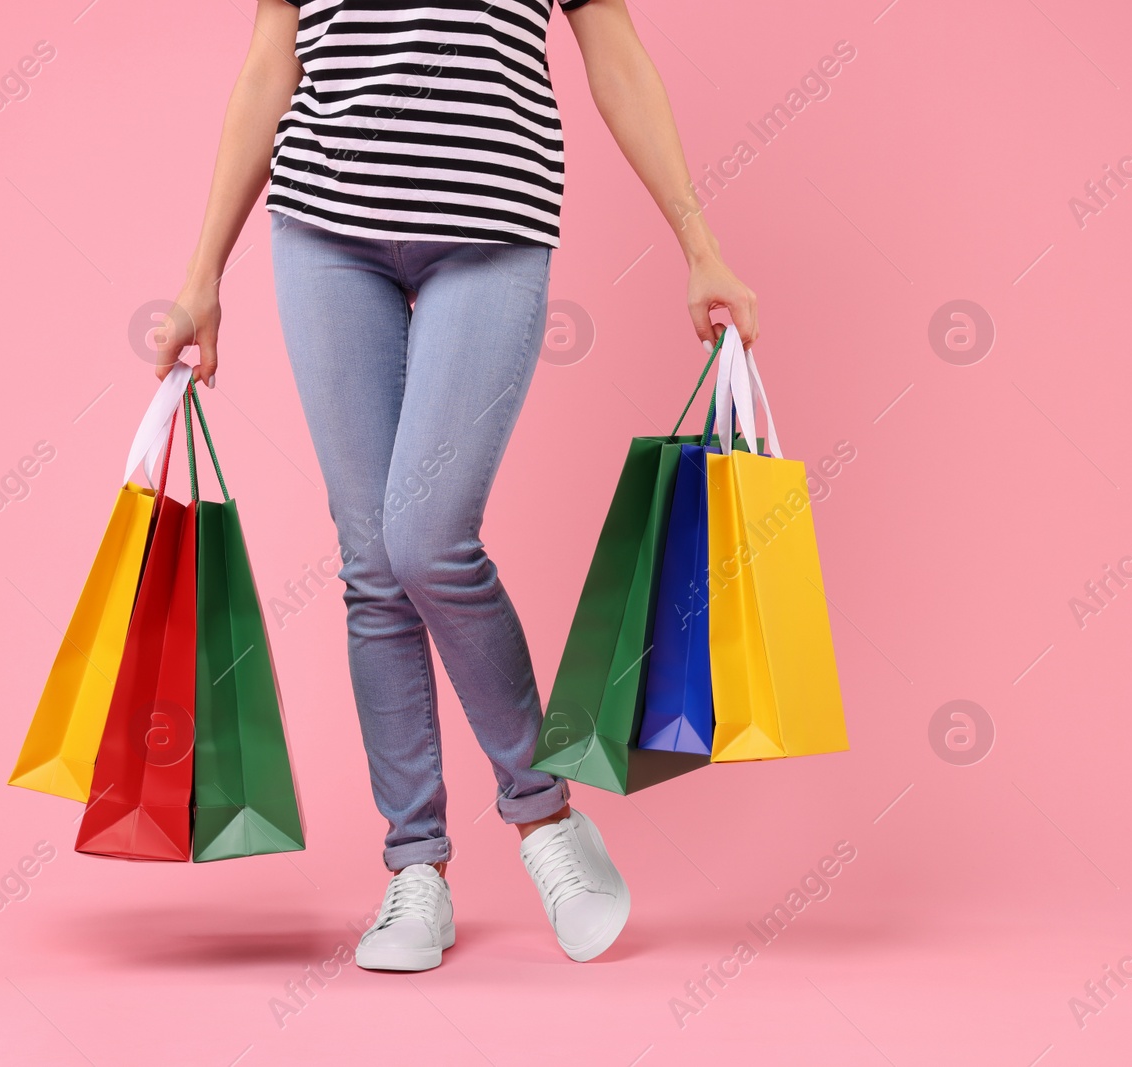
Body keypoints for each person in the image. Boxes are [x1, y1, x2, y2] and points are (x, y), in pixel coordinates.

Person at [154, 0, 758, 971]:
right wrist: (201, 276)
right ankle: (416, 868)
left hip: (491, 225)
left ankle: (542, 812)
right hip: (323, 232)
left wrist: (697, 241)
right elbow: (272, 64)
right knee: (371, 563)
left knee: (426, 535)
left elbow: (616, 55)